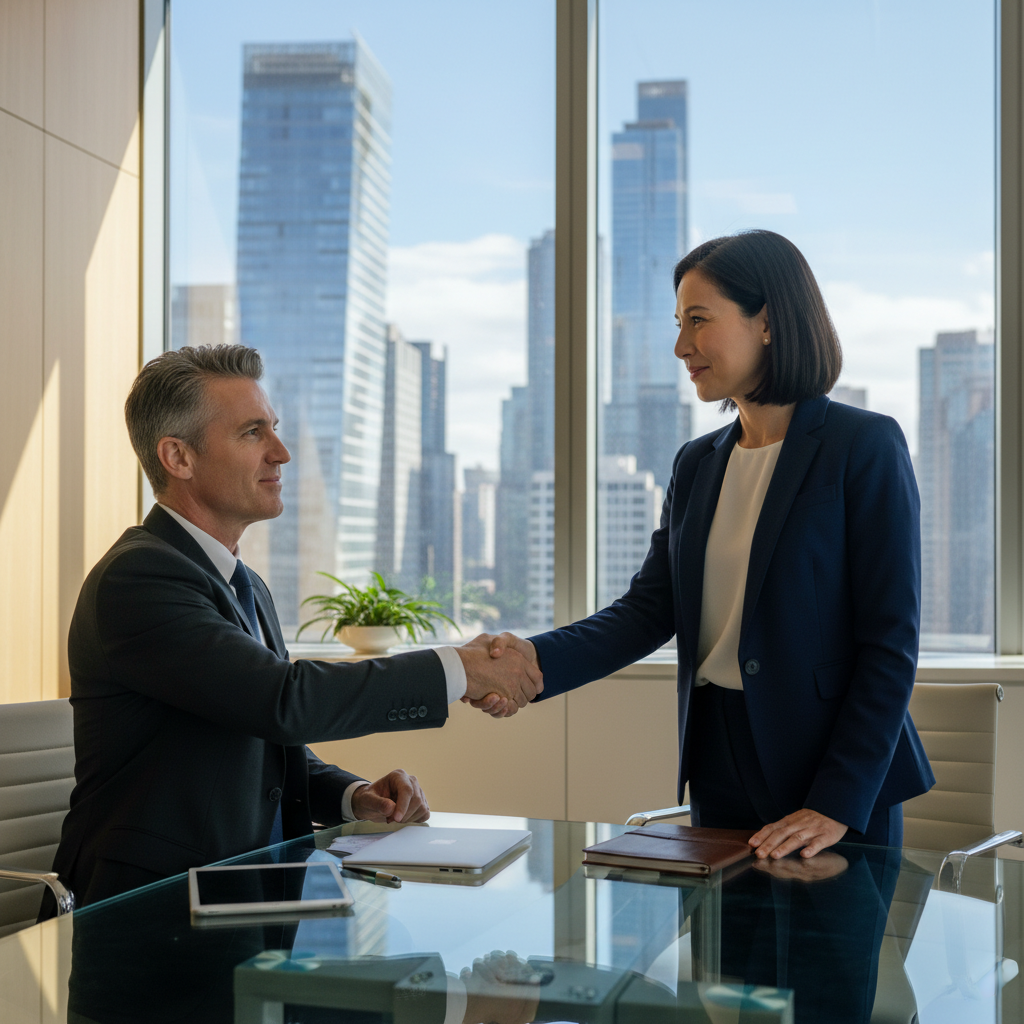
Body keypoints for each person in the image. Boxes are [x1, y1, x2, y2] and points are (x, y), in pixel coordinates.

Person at [476, 229, 934, 857]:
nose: (680, 345)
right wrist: (529, 663)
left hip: (832, 774)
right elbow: (646, 612)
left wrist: (836, 801)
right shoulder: (697, 464)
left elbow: (889, 641)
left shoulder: (864, 445)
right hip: (718, 760)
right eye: (678, 322)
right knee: (722, 958)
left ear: (767, 322)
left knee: (826, 956)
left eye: (698, 320)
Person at [48, 344, 541, 909]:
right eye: (253, 433)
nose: (281, 453)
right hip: (150, 907)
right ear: (178, 457)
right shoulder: (138, 579)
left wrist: (353, 796)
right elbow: (282, 701)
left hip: (245, 892)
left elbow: (266, 739)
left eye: (273, 429)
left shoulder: (245, 583)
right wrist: (461, 669)